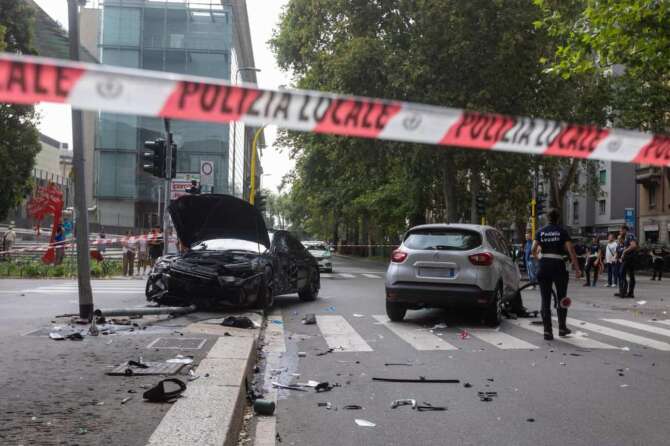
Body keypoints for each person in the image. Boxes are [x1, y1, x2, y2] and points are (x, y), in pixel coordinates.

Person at [532, 208, 582, 340]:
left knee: (545, 299)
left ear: (548, 218)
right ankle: (562, 328)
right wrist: (577, 269)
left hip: (544, 266)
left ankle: (547, 331)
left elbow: (533, 250)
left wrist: (540, 260)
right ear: (558, 218)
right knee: (562, 298)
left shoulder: (540, 232)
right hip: (558, 266)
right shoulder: (562, 231)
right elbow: (571, 251)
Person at [615, 225, 638, 298]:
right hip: (628, 258)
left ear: (625, 230)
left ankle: (624, 292)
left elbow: (633, 245)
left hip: (630, 258)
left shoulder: (629, 235)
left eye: (621, 231)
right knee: (629, 275)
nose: (620, 232)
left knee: (622, 273)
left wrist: (624, 252)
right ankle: (626, 292)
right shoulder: (625, 238)